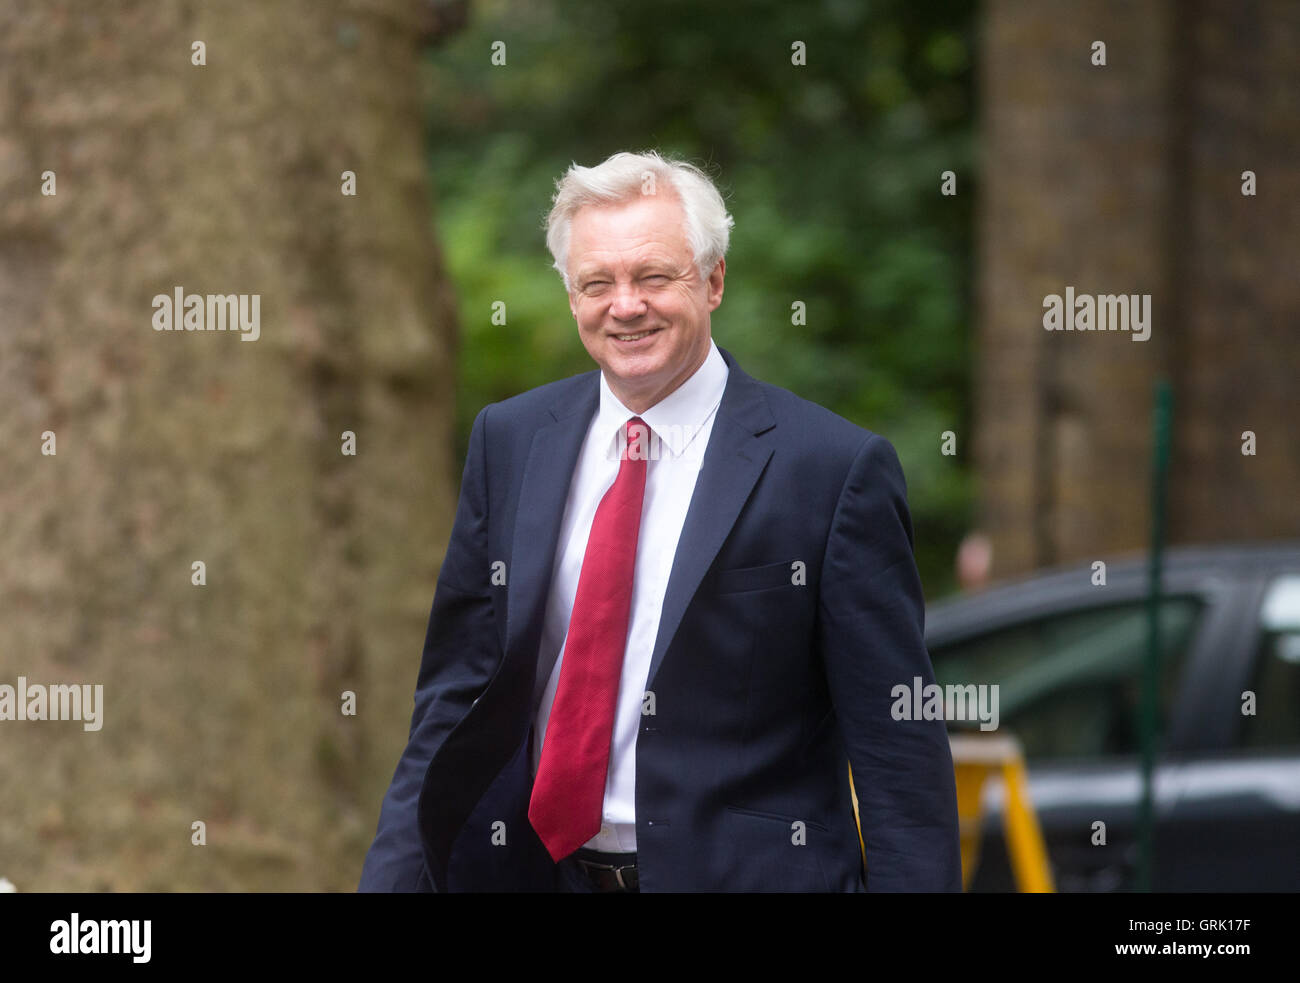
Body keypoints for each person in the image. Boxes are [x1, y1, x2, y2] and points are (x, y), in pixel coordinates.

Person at [358, 150, 961, 892]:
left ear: (712, 281)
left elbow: (899, 752)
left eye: (652, 277)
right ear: (571, 295)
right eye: (597, 283)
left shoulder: (832, 470)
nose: (625, 305)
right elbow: (453, 702)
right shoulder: (509, 442)